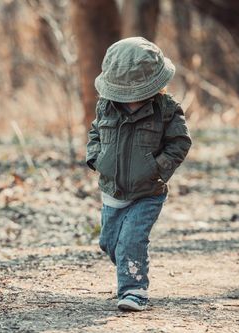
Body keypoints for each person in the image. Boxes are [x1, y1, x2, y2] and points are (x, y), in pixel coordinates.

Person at [85, 37, 192, 311]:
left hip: (148, 192)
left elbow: (180, 143)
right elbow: (95, 133)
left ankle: (134, 291)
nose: (131, 100)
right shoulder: (106, 106)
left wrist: (156, 168)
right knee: (110, 243)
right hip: (112, 190)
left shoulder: (166, 110)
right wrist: (96, 157)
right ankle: (127, 267)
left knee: (132, 239)